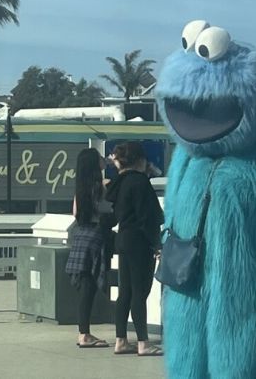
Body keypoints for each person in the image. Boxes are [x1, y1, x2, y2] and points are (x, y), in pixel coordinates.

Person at [105, 142, 164, 356]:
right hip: (139, 241)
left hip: (123, 238)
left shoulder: (119, 183)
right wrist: (157, 244)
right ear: (140, 160)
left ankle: (121, 339)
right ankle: (143, 342)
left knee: (125, 291)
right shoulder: (140, 182)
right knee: (140, 292)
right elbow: (147, 217)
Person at [65, 148, 113, 348]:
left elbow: (75, 212)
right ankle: (84, 335)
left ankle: (83, 332)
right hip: (95, 236)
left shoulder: (81, 188)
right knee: (89, 288)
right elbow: (109, 211)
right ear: (95, 164)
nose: (104, 159)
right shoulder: (102, 186)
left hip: (81, 235)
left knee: (85, 287)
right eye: (100, 158)